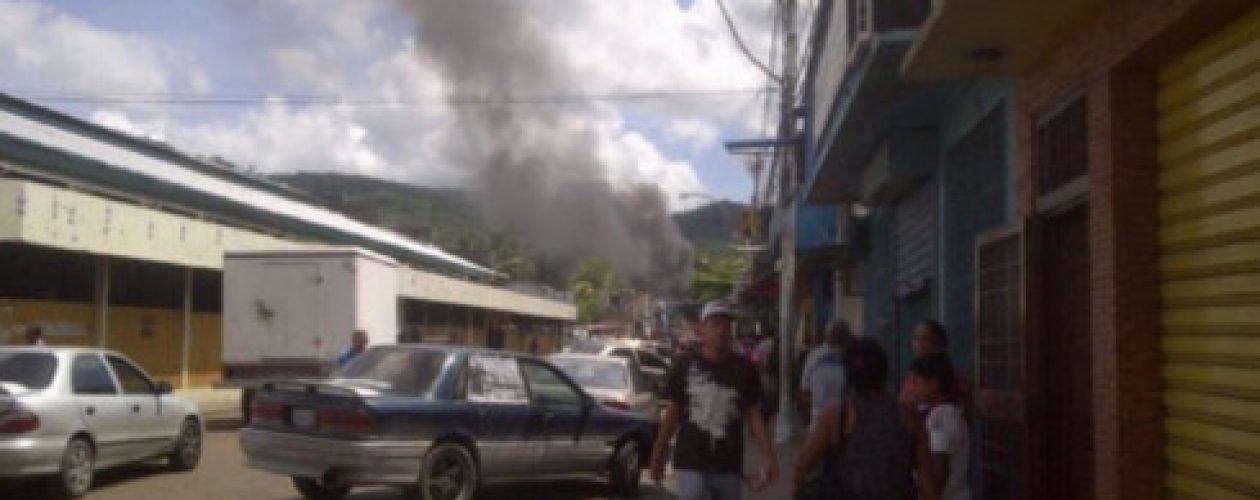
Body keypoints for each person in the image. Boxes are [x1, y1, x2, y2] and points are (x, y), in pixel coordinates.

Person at [649, 301, 778, 500]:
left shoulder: (743, 368)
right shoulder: (684, 364)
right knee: (695, 494)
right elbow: (673, 412)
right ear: (702, 328)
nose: (721, 330)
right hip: (691, 460)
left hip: (728, 464)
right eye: (715, 324)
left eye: (726, 325)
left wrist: (769, 456)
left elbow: (754, 415)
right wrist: (658, 454)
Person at [793, 337, 939, 500]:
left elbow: (803, 463)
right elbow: (927, 482)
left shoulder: (838, 415)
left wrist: (799, 489)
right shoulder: (909, 416)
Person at [909, 353, 970, 500]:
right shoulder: (947, 413)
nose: (912, 388)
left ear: (934, 383)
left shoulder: (941, 417)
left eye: (916, 382)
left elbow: (938, 475)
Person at [799, 320, 849, 432]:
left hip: (824, 418)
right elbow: (805, 391)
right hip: (834, 418)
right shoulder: (846, 358)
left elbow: (805, 390)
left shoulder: (815, 357)